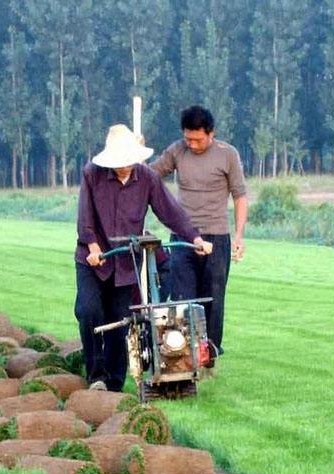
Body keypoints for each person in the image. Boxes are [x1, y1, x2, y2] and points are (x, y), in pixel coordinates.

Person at [74, 124, 212, 392]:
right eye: (119, 162)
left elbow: (171, 212)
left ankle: (114, 382)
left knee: (121, 320)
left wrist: (194, 238)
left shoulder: (147, 178)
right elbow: (85, 216)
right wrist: (91, 246)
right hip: (94, 259)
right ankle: (96, 376)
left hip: (126, 262)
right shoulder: (92, 174)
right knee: (90, 312)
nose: (124, 167)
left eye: (128, 162)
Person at [150, 105, 248, 366]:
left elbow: (240, 196)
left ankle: (208, 357)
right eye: (188, 139)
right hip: (183, 237)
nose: (192, 144)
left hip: (216, 238)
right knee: (183, 300)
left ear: (211, 133)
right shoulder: (176, 151)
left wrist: (239, 236)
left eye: (198, 139)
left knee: (213, 299)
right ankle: (182, 356)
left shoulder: (228, 155)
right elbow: (149, 175)